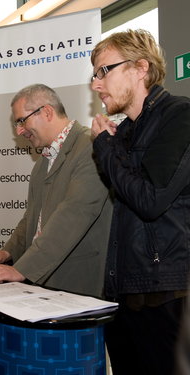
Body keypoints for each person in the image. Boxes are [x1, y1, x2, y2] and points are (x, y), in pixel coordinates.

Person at [90, 29, 190, 375]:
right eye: (94, 74)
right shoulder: (127, 133)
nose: (96, 84)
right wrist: (112, 146)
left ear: (141, 68)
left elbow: (149, 200)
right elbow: (123, 195)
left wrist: (105, 146)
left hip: (166, 294)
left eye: (104, 70)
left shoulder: (179, 116)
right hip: (124, 292)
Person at [0, 84, 113, 298]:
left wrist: (22, 269)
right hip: (47, 288)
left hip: (79, 289)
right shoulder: (43, 162)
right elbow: (32, 218)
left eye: (22, 121)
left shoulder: (90, 147)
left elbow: (72, 216)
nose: (19, 131)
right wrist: (7, 252)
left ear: (47, 112)